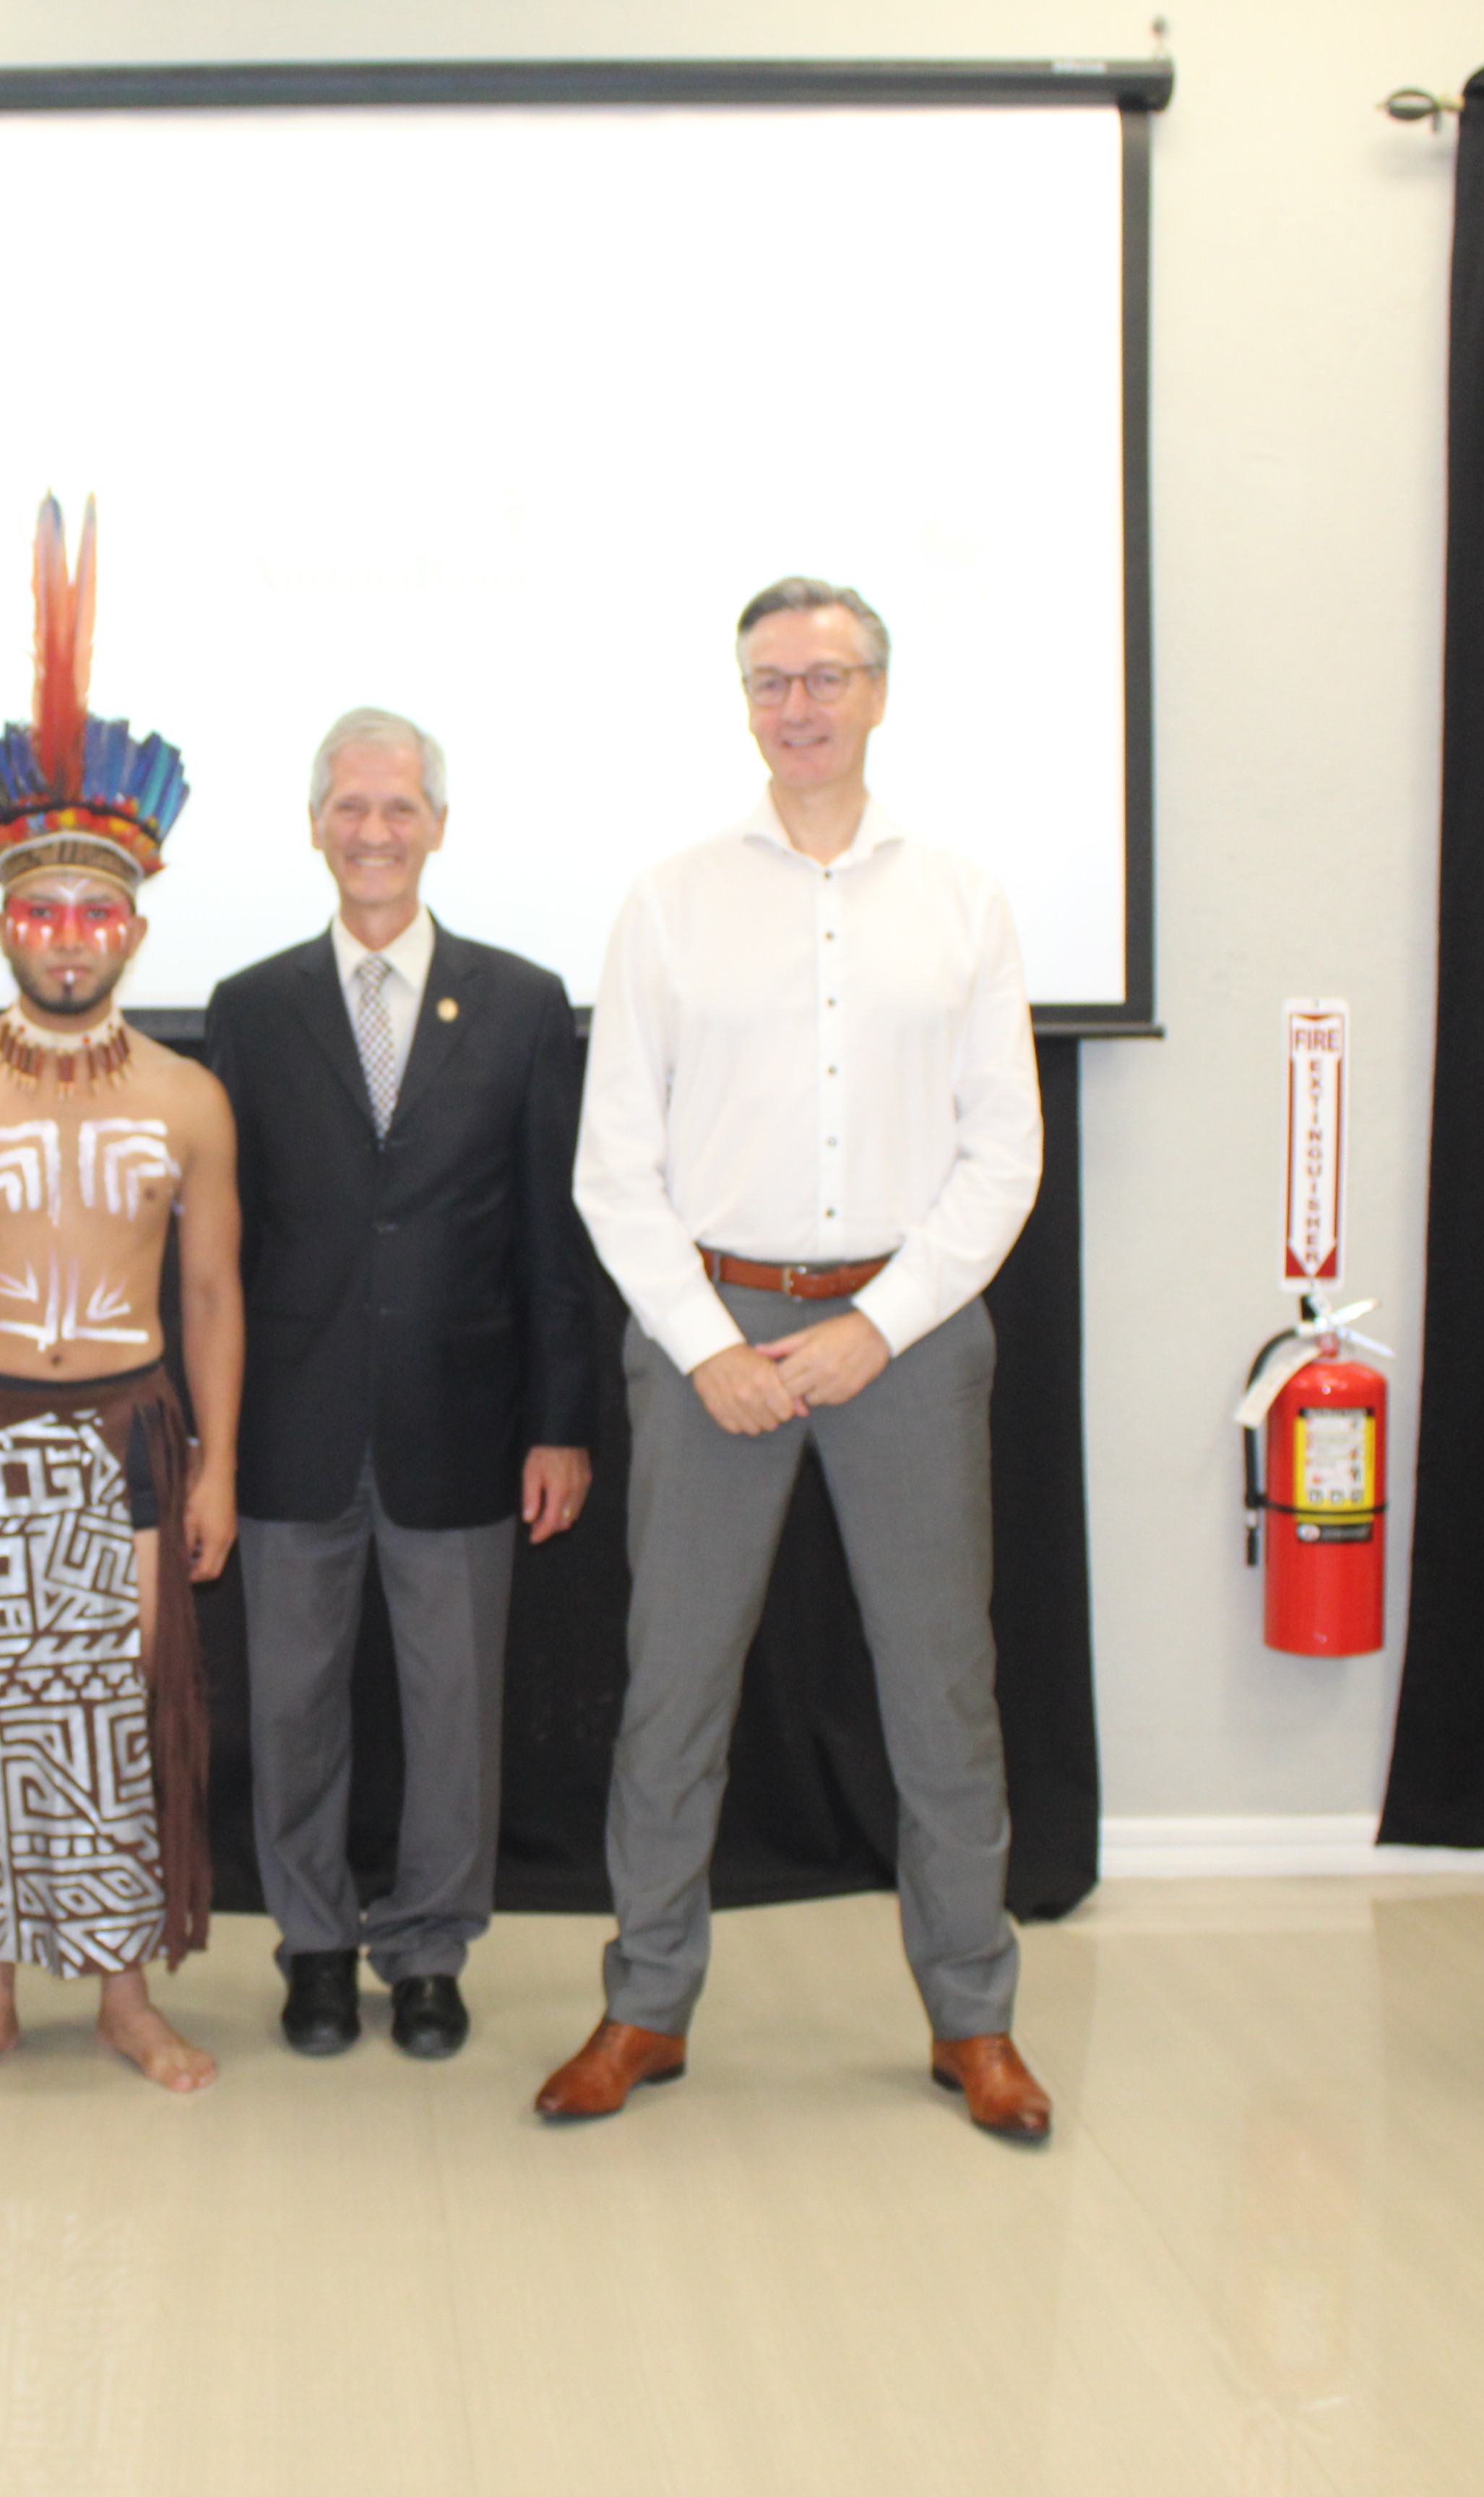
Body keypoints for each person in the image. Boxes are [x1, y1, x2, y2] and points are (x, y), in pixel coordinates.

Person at [542, 576, 1051, 2139]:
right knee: (675, 1687)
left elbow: (1005, 1155)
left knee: (943, 1692)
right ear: (745, 703)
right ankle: (645, 2008)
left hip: (907, 1334)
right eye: (772, 682)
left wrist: (877, 1325)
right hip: (714, 1337)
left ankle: (974, 2022)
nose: (799, 707)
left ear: (878, 694)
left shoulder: (963, 901)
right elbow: (614, 1168)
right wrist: (709, 1346)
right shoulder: (670, 903)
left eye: (826, 678)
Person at [0, 497, 241, 2098]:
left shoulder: (190, 1098)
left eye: (96, 915)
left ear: (134, 928)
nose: (69, 939)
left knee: (120, 1713)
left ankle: (126, 1998)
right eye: (42, 912)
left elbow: (213, 1291)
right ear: (3, 919)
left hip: (130, 1431)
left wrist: (218, 1464)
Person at [202, 707, 594, 2061]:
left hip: (465, 1424)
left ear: (437, 826)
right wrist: (210, 1437)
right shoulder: (252, 1008)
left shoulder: (524, 1003)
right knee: (290, 1706)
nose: (375, 831)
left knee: (453, 1711)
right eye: (351, 807)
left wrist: (560, 1425)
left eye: (399, 807)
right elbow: (221, 1244)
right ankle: (313, 1946)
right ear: (316, 825)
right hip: (288, 1423)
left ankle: (429, 1951)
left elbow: (552, 1235)